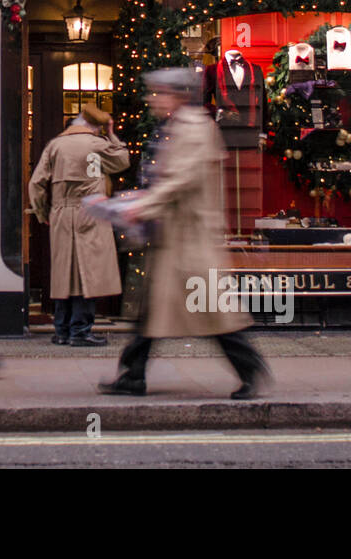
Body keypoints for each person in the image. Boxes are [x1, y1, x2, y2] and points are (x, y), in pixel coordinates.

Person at [98, 68, 269, 400]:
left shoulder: (194, 128)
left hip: (190, 239)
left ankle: (250, 368)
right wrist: (140, 199)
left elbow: (181, 181)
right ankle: (133, 375)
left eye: (158, 93)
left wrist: (141, 205)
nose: (152, 100)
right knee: (153, 313)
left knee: (213, 313)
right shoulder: (177, 128)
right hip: (175, 238)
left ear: (175, 95)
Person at [29, 104, 130, 346]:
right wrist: (111, 134)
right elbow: (122, 161)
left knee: (65, 273)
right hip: (91, 211)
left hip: (61, 213)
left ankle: (62, 331)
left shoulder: (55, 145)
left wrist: (43, 212)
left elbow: (36, 183)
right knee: (88, 272)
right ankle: (81, 331)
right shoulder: (98, 144)